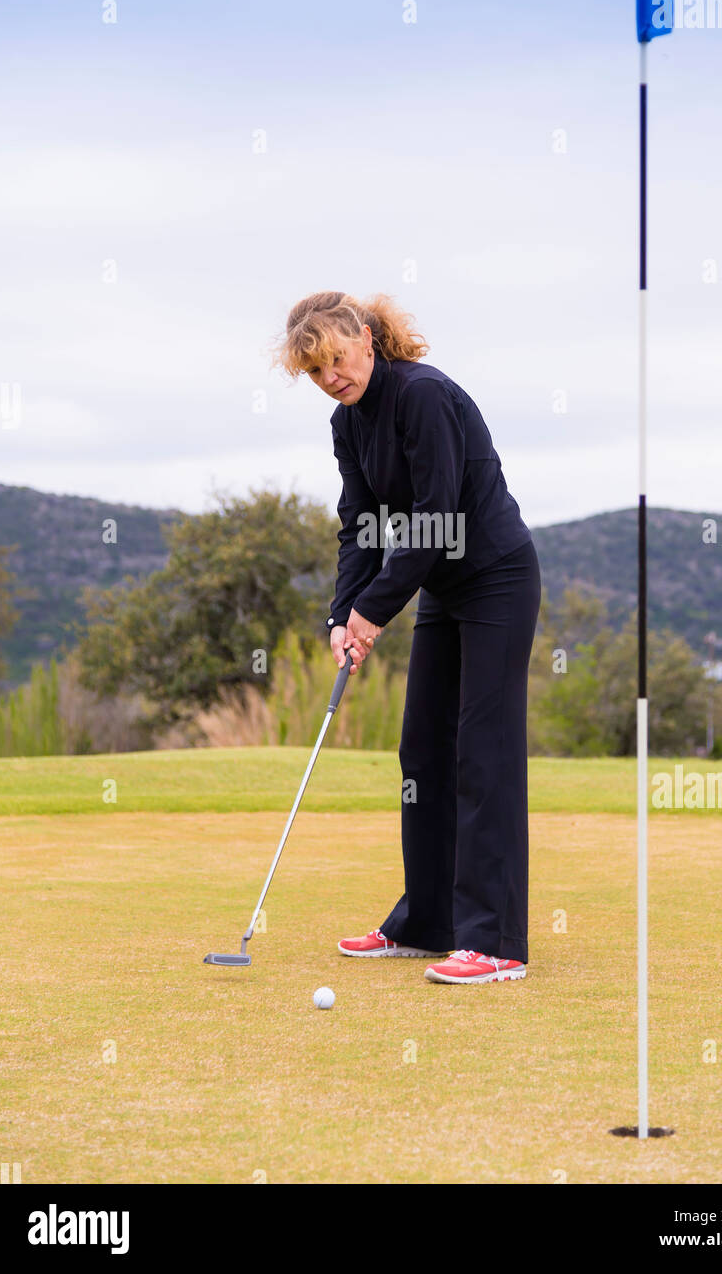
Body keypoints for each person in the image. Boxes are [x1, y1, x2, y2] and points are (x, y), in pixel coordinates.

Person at [275, 291, 540, 984]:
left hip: (496, 580)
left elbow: (435, 517)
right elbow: (360, 525)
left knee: (485, 754)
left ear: (366, 338)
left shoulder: (421, 395)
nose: (332, 376)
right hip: (444, 591)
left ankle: (497, 943)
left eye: (337, 358)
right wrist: (342, 615)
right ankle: (427, 924)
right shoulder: (347, 424)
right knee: (423, 750)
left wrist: (375, 612)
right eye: (316, 371)